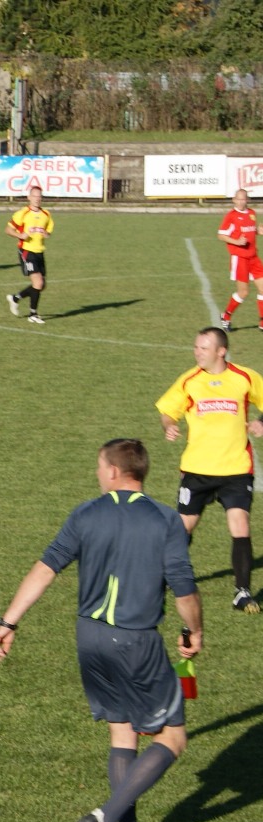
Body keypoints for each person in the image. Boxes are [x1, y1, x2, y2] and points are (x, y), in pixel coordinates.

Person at [0, 438, 201, 822]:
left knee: (122, 732)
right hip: (136, 640)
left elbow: (46, 568)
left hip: (90, 637)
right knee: (173, 738)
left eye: (100, 466)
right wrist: (193, 630)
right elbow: (183, 585)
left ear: (115, 471)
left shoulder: (86, 513)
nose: (98, 473)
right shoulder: (164, 520)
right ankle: (106, 818)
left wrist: (8, 622)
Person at [156, 326, 263, 612]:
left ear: (221, 351)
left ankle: (242, 591)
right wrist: (170, 425)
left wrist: (260, 422)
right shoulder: (190, 380)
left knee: (240, 525)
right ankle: (162, 579)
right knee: (183, 529)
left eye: (203, 348)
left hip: (236, 469)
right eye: (196, 347)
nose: (197, 352)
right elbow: (167, 410)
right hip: (197, 469)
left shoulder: (244, 378)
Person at [217, 189, 263, 331]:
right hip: (240, 258)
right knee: (243, 292)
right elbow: (220, 235)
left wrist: (258, 231)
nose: (242, 201)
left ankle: (262, 322)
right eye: (240, 199)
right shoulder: (231, 216)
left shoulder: (252, 214)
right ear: (234, 200)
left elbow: (251, 230)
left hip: (253, 257)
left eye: (244, 199)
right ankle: (226, 316)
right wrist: (236, 242)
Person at [5, 186, 51, 325]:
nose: (37, 199)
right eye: (34, 196)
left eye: (39, 196)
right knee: (38, 283)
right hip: (26, 251)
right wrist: (20, 235)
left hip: (39, 251)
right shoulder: (22, 213)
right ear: (29, 197)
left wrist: (46, 234)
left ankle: (15, 298)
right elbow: (7, 229)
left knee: (41, 286)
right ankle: (33, 314)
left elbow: (48, 231)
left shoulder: (46, 214)